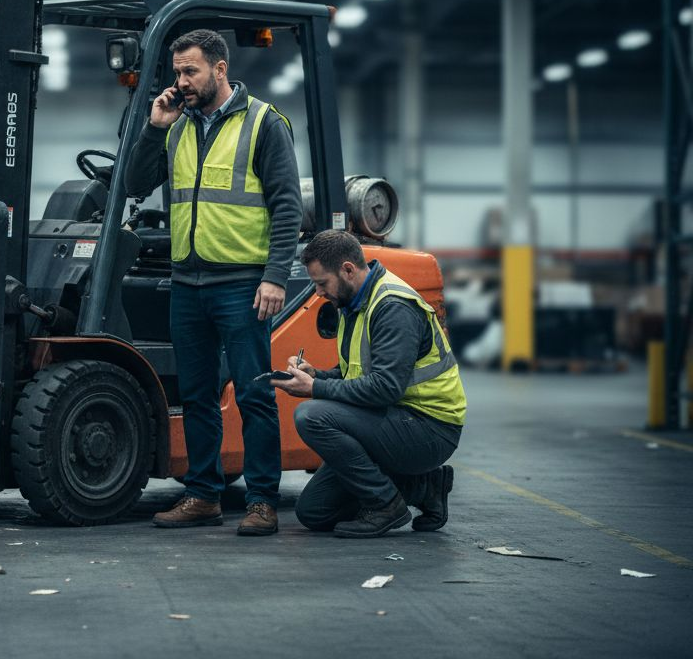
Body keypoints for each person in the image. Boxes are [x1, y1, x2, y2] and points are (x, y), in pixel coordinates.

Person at [124, 29, 302, 535]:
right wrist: (154, 128)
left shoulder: (264, 123)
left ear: (220, 69)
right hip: (187, 282)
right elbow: (135, 184)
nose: (181, 81)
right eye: (177, 72)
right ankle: (203, 494)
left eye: (191, 71)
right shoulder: (177, 125)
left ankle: (262, 501)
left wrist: (274, 277)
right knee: (198, 395)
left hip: (242, 284)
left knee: (253, 395)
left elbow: (286, 205)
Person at [272, 229, 466, 538]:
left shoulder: (392, 307)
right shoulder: (353, 302)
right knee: (314, 511)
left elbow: (385, 387)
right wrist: (316, 375)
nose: (319, 293)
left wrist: (314, 388)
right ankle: (425, 487)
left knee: (311, 416)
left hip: (430, 428)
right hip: (392, 418)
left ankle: (385, 504)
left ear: (348, 270)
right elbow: (357, 372)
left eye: (322, 283)